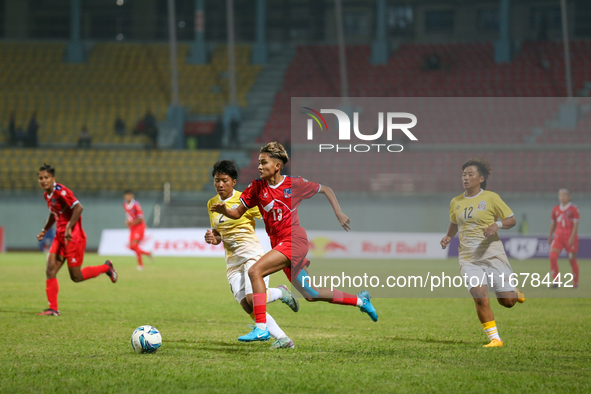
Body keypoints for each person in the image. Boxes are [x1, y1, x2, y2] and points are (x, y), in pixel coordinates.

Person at [211, 142, 378, 343]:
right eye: (259, 163)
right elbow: (237, 213)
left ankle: (262, 328)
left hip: (294, 240)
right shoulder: (256, 187)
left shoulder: (293, 184)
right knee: (311, 293)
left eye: (264, 163)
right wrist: (224, 211)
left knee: (255, 271)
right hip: (280, 245)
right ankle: (361, 300)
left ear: (277, 166)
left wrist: (338, 212)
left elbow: (326, 189)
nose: (259, 167)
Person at [205, 160, 298, 349]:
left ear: (233, 181)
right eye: (216, 181)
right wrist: (213, 238)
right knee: (248, 306)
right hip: (232, 262)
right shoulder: (212, 203)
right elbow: (218, 233)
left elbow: (269, 213)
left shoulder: (245, 199)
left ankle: (280, 293)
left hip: (252, 255)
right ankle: (284, 339)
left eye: (224, 180)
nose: (220, 184)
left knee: (251, 298)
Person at [440, 158, 524, 348]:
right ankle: (495, 339)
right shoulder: (456, 202)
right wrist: (448, 237)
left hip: (492, 254)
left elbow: (511, 220)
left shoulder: (491, 198)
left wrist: (497, 224)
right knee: (480, 296)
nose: (466, 178)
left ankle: (514, 293)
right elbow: (454, 223)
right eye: (464, 174)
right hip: (468, 258)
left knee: (508, 301)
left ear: (481, 178)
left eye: (470, 174)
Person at [36, 163, 118, 316]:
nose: (43, 180)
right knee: (50, 269)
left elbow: (79, 207)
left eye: (46, 177)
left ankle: (106, 268)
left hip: (73, 238)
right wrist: (44, 230)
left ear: (53, 178)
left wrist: (69, 227)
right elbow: (54, 213)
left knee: (76, 276)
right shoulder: (47, 194)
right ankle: (53, 309)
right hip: (60, 237)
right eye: (40, 178)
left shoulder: (61, 191)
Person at [548, 188, 579, 288]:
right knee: (552, 256)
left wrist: (572, 238)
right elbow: (553, 224)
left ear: (569, 197)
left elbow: (575, 225)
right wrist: (550, 236)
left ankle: (575, 282)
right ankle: (556, 281)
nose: (562, 197)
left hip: (570, 237)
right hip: (558, 237)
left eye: (564, 195)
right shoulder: (555, 209)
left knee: (571, 259)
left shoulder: (574, 209)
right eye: (560, 195)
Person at [123, 190, 152, 270]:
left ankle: (141, 265)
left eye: (129, 195)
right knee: (131, 247)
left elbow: (140, 218)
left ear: (132, 196)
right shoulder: (124, 204)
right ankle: (148, 253)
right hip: (132, 227)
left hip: (139, 226)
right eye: (126, 195)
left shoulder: (136, 205)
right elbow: (129, 215)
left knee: (135, 245)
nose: (128, 197)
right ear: (124, 196)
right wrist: (128, 221)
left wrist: (130, 222)